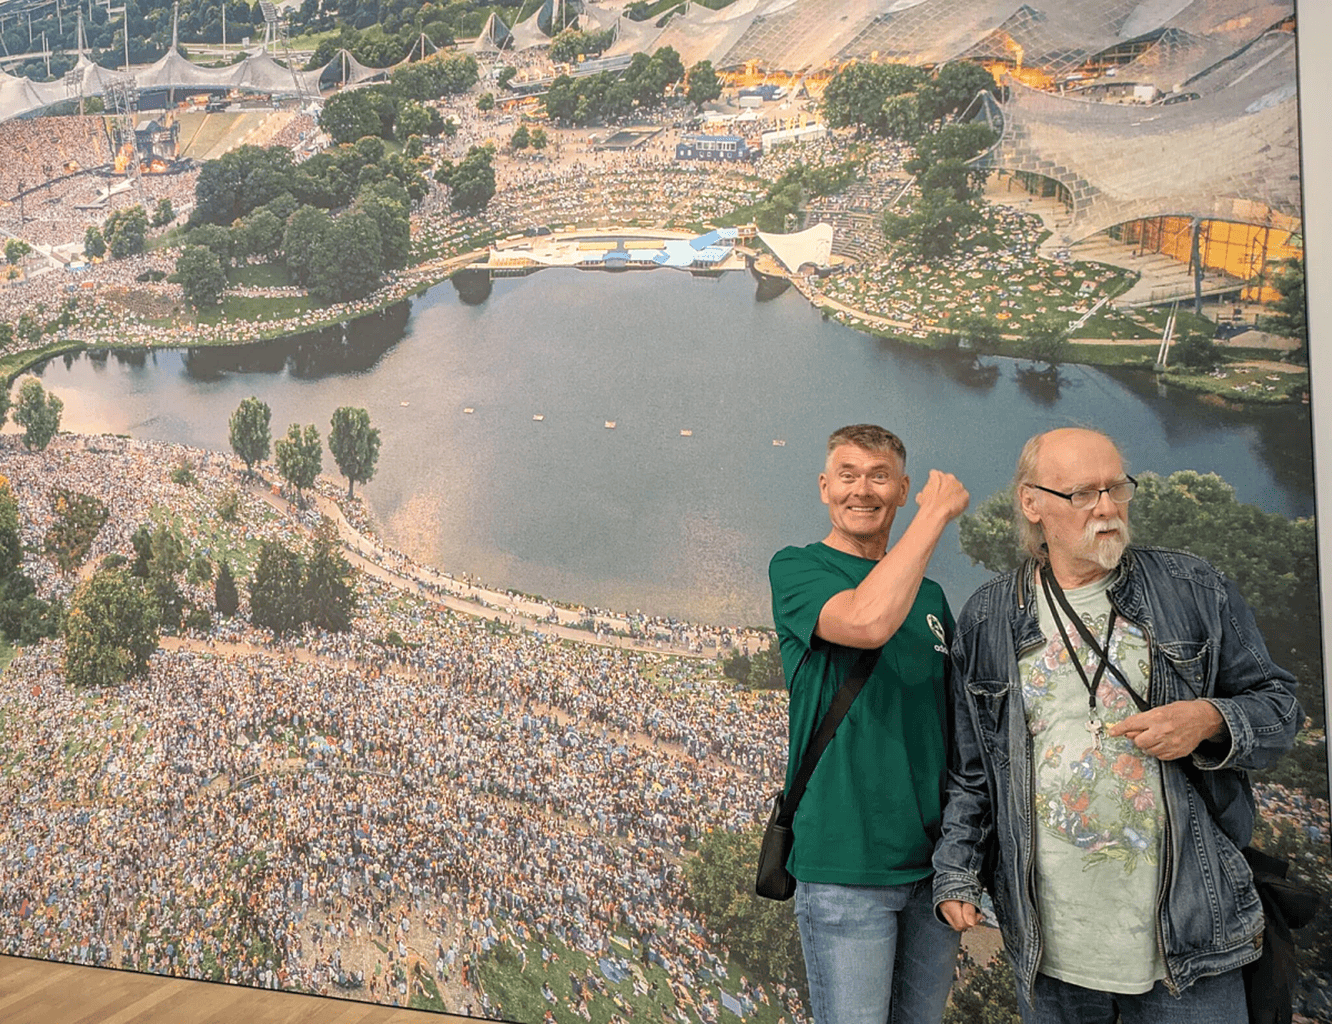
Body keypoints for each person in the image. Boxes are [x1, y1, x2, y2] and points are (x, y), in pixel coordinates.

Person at [933, 427, 1303, 1023]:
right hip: (1052, 955)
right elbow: (974, 773)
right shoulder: (988, 617)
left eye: (1116, 488)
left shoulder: (1192, 588)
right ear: (1032, 503)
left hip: (1191, 944)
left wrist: (1211, 718)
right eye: (1083, 494)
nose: (1107, 508)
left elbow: (1281, 709)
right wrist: (957, 873)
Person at [769, 423, 970, 1024]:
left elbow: (955, 732)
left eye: (879, 476)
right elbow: (867, 623)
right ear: (824, 487)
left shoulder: (931, 598)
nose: (863, 490)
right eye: (849, 475)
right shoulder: (799, 568)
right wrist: (933, 517)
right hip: (845, 864)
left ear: (901, 487)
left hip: (931, 868)